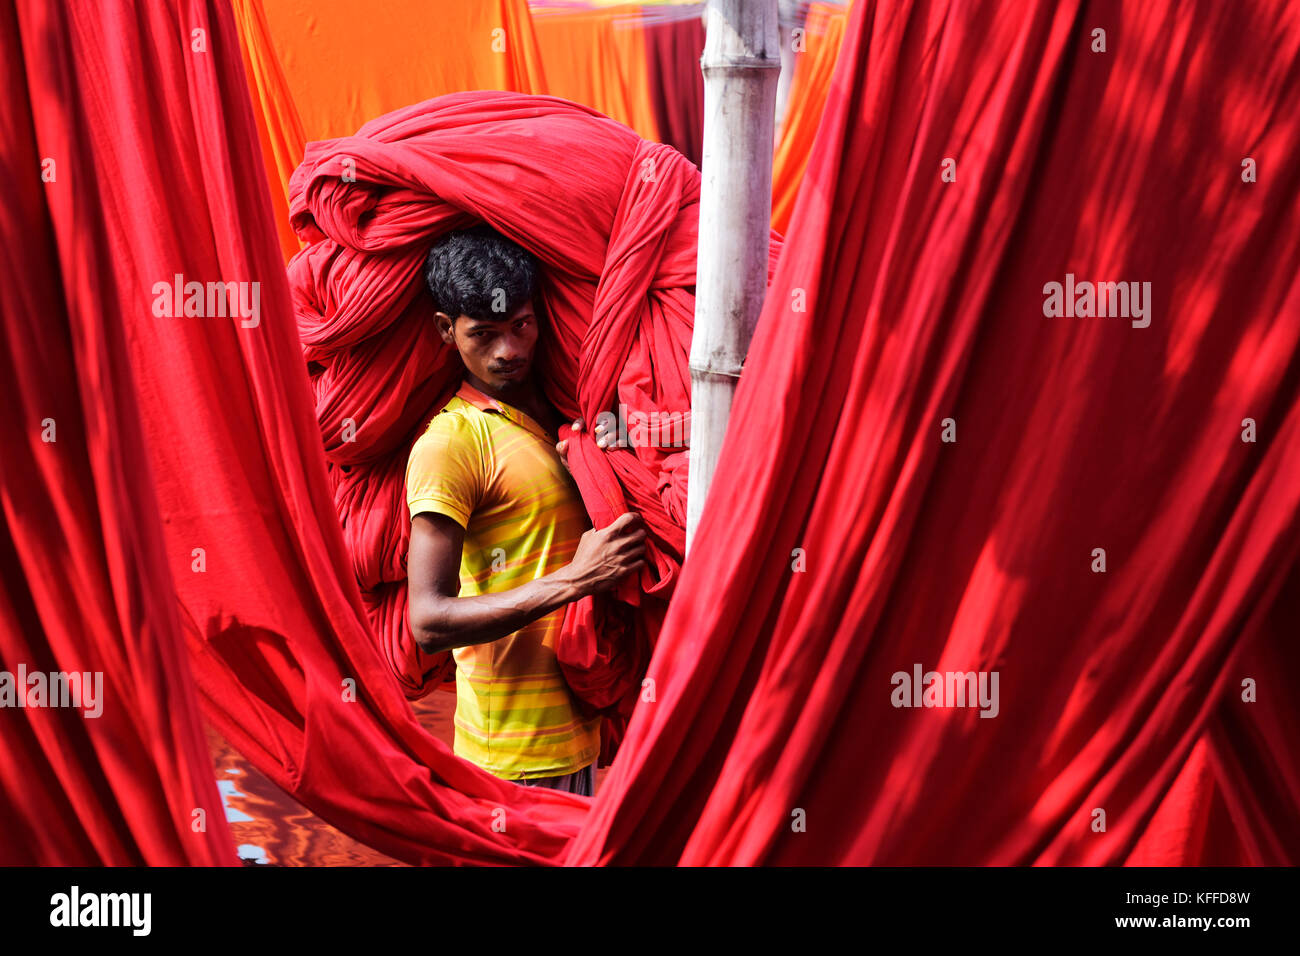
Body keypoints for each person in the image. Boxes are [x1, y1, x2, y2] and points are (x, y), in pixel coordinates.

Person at [405, 224, 646, 796]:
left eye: (521, 326)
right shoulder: (452, 443)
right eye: (484, 334)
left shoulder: (564, 415)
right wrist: (577, 579)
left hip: (582, 735)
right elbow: (429, 620)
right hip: (509, 760)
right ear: (447, 331)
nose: (509, 350)